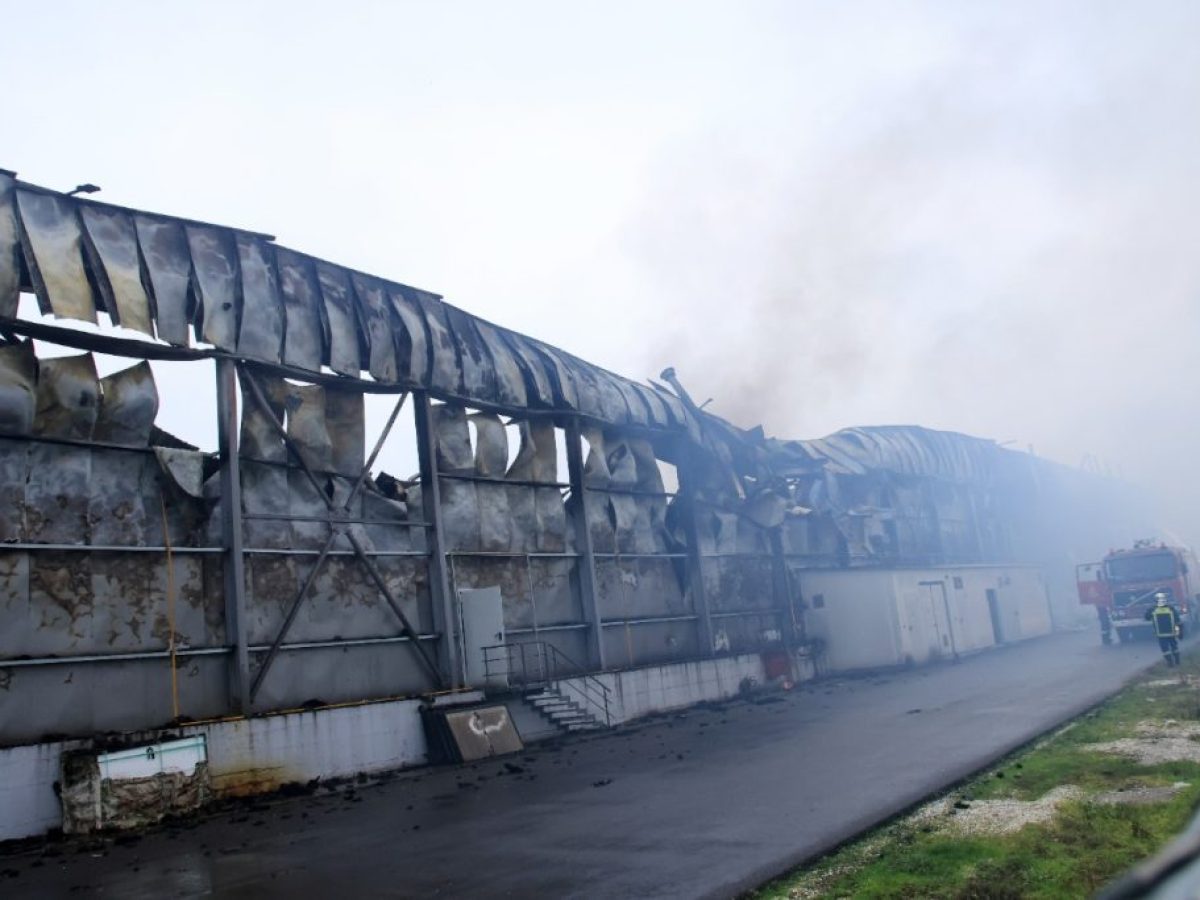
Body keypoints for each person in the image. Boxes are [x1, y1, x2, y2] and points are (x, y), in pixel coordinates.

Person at [1145, 592, 1182, 667]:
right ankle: (1177, 662)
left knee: (1165, 650)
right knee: (1174, 647)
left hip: (1161, 634)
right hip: (1172, 633)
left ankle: (1170, 663)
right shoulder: (1171, 608)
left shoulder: (1153, 609)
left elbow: (1147, 617)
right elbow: (1177, 621)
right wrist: (1179, 632)